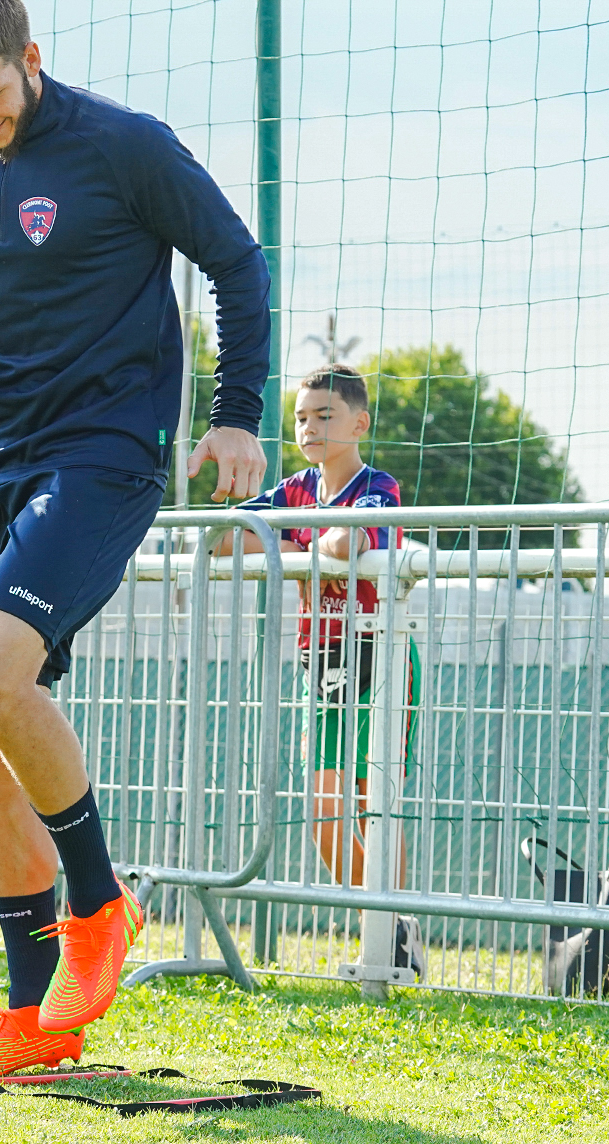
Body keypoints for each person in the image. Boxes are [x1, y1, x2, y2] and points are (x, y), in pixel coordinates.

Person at [0, 0, 272, 1078]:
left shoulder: (126, 145)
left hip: (102, 454)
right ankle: (33, 1024)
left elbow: (236, 263)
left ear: (29, 55)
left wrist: (237, 417)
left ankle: (102, 903)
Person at [236, 362, 426, 979]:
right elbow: (229, 536)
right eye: (301, 417)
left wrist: (289, 545)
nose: (311, 427)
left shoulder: (379, 486)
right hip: (325, 659)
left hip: (383, 655)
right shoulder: (293, 489)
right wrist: (299, 543)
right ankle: (389, 924)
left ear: (359, 422)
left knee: (375, 801)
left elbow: (348, 544)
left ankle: (391, 938)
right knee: (324, 811)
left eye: (326, 415)